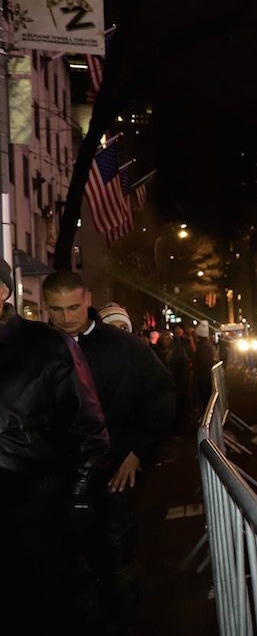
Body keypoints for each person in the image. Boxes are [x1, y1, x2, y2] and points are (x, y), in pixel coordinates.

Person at [42, 272, 175, 632]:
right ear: (44, 306)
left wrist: (138, 453)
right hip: (56, 475)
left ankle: (121, 615)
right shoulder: (36, 347)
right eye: (56, 309)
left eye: (73, 307)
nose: (66, 317)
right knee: (64, 557)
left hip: (115, 469)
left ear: (87, 300)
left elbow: (161, 402)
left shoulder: (127, 348)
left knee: (115, 552)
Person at [2, 261, 110, 634]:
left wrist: (81, 493)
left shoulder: (48, 346)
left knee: (45, 608)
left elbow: (88, 425)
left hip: (37, 506)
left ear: (2, 292)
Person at [192, 320, 215, 410]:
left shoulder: (203, 345)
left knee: (205, 397)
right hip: (205, 374)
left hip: (203, 375)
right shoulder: (207, 343)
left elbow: (204, 361)